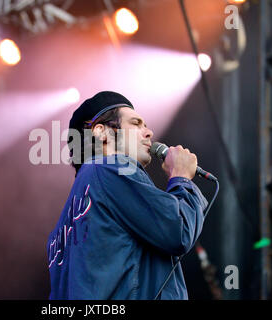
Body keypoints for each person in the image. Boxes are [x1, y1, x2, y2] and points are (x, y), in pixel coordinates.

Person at [47, 91, 208, 299]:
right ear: (101, 132)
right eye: (136, 123)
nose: (149, 132)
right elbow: (178, 231)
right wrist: (182, 178)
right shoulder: (110, 168)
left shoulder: (61, 228)